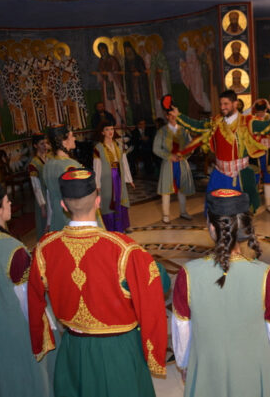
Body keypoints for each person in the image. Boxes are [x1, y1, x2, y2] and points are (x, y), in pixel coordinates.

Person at [28, 168, 168, 397]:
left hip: (73, 349)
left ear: (63, 205)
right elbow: (158, 284)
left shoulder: (44, 248)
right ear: (98, 201)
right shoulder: (123, 249)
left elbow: (34, 299)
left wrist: (40, 339)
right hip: (119, 351)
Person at [172, 189, 270, 397]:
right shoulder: (267, 275)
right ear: (245, 226)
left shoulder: (188, 274)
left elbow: (182, 328)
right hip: (253, 371)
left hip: (208, 368)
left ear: (211, 226)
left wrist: (185, 364)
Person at [0, 183, 54, 397]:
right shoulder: (13, 250)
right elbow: (26, 299)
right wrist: (43, 327)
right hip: (17, 326)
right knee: (28, 375)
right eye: (7, 201)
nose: (11, 203)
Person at [172, 90, 270, 212]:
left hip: (239, 176)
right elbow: (197, 126)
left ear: (235, 104)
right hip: (219, 175)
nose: (222, 107)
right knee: (215, 211)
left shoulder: (247, 121)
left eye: (226, 104)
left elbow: (267, 127)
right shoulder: (216, 121)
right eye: (221, 104)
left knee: (239, 212)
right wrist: (178, 116)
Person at [153, 110, 195, 223]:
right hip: (168, 164)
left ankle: (183, 212)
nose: (173, 117)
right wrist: (169, 156)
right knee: (166, 190)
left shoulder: (184, 131)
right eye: (170, 115)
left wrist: (184, 155)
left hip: (181, 163)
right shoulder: (162, 131)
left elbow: (191, 146)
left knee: (182, 188)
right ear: (167, 116)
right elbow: (156, 148)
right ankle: (166, 215)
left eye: (174, 115)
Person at [93, 120, 134, 232]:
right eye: (107, 129)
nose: (110, 131)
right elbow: (97, 167)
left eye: (111, 129)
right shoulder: (98, 148)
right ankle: (111, 228)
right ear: (102, 132)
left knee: (121, 199)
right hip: (107, 179)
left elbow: (124, 163)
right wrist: (97, 184)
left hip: (119, 176)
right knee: (109, 201)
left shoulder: (119, 145)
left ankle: (124, 225)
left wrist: (129, 179)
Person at [43, 124, 82, 232]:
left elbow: (49, 197)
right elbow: (79, 196)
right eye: (72, 136)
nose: (74, 138)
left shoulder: (48, 165)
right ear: (64, 142)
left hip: (56, 216)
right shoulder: (70, 166)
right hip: (70, 217)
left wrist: (49, 221)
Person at [28, 134, 51, 238]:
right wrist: (42, 206)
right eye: (42, 144)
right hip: (43, 198)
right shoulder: (34, 164)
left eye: (46, 143)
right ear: (35, 146)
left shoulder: (49, 158)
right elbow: (36, 187)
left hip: (51, 195)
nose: (45, 146)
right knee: (44, 227)